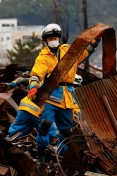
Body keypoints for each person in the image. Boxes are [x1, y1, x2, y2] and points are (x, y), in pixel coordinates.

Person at [27, 23, 100, 163]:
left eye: (55, 37)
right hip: (50, 95)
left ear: (59, 38)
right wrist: (33, 86)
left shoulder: (68, 51)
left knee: (67, 131)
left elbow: (84, 53)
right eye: (50, 38)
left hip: (67, 96)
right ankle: (41, 154)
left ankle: (60, 155)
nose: (53, 40)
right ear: (45, 40)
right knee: (45, 124)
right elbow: (36, 73)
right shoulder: (43, 57)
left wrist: (95, 41)